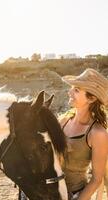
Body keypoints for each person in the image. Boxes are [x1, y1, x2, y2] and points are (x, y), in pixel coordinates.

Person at [60, 68, 108, 200]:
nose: (69, 92)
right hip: (51, 192)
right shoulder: (63, 121)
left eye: (76, 90)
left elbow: (97, 179)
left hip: (76, 194)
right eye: (72, 88)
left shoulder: (97, 133)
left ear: (91, 98)